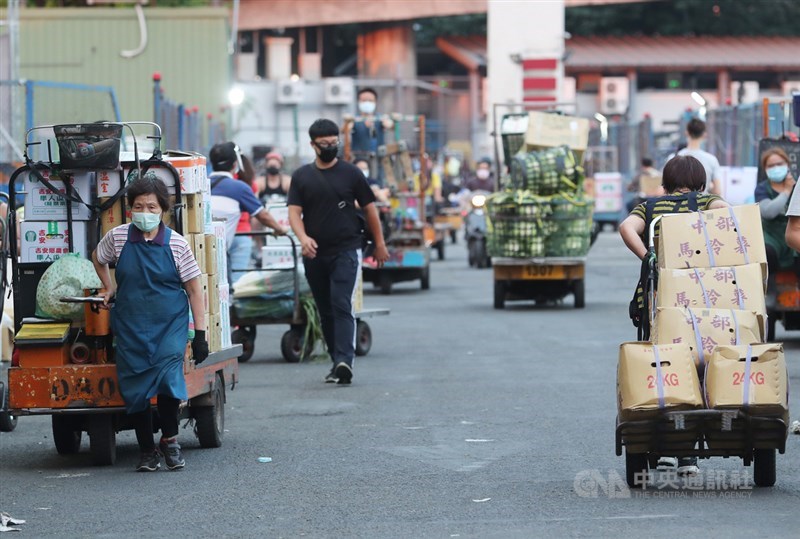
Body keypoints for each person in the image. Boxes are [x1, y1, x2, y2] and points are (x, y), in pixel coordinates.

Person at [619, 155, 729, 478]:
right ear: (700, 181)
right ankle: (687, 457)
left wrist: (649, 256)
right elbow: (729, 219)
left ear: (665, 183)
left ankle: (666, 448)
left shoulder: (650, 206)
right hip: (702, 301)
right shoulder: (709, 202)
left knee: (666, 369)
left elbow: (627, 228)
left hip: (661, 302)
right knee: (697, 368)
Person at [91, 173, 207, 472]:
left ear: (162, 210)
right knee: (136, 388)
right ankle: (146, 450)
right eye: (139, 206)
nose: (146, 212)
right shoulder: (117, 237)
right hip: (130, 324)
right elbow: (98, 257)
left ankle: (169, 439)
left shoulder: (177, 244)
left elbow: (194, 289)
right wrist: (110, 287)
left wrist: (202, 334)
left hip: (169, 323)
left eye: (152, 207)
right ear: (130, 209)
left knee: (169, 381)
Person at [287, 119, 389, 385]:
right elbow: (294, 213)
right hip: (314, 253)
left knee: (341, 303)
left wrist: (379, 244)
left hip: (347, 248)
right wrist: (303, 238)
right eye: (325, 144)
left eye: (335, 143)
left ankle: (345, 359)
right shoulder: (301, 176)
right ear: (313, 145)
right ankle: (336, 361)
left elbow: (370, 209)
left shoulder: (352, 173)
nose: (331, 147)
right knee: (325, 309)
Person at [208, 142, 287, 284]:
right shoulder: (239, 187)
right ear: (235, 165)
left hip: (205, 246)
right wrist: (279, 229)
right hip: (232, 241)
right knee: (236, 283)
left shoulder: (202, 184)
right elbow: (262, 215)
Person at [756, 148, 798, 300]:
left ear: (787, 164)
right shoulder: (762, 188)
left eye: (779, 164)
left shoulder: (797, 186)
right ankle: (769, 291)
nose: (775, 168)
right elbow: (768, 212)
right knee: (766, 252)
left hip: (794, 236)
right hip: (772, 237)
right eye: (771, 166)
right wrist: (786, 191)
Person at [677, 118, 721, 195]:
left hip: (678, 205)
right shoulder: (712, 160)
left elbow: (666, 189)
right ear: (704, 135)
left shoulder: (675, 158)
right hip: (703, 205)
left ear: (687, 133)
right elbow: (718, 191)